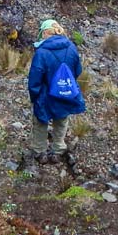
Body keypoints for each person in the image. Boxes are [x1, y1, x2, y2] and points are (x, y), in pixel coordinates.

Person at [27, 19, 86, 164]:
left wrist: (34, 96)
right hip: (64, 91)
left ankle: (40, 152)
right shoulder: (71, 47)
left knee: (41, 121)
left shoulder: (41, 52)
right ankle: (58, 150)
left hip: (45, 95)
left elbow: (35, 78)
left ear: (46, 33)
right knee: (61, 120)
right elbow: (78, 70)